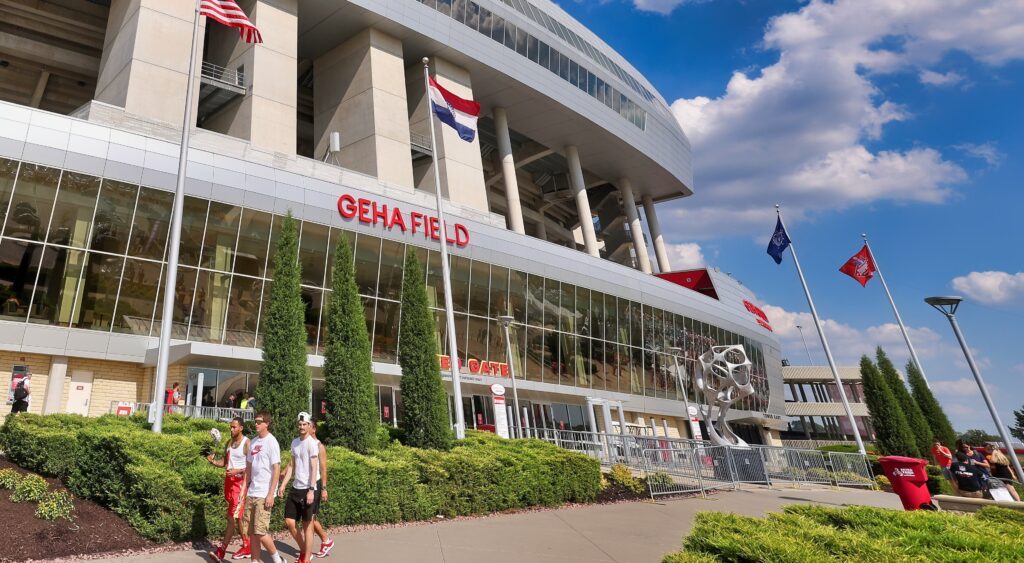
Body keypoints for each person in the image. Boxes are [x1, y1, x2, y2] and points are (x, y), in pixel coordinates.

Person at [242, 411, 285, 563]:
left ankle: (277, 560)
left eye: (259, 421)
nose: (256, 424)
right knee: (252, 532)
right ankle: (255, 560)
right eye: (255, 421)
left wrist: (270, 494)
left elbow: (277, 469)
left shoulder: (271, 442)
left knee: (260, 531)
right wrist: (244, 489)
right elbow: (248, 467)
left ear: (267, 423)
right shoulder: (253, 442)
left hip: (264, 493)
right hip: (252, 491)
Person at [206, 417, 250, 562]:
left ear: (241, 428)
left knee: (231, 518)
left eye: (234, 427)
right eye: (230, 427)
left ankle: (221, 551)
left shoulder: (246, 443)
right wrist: (213, 461)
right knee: (237, 518)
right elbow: (225, 463)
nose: (231, 429)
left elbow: (252, 467)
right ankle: (247, 545)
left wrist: (238, 471)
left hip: (240, 485)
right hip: (229, 484)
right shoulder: (229, 443)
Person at [277, 412, 319, 563]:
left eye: (304, 424)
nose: (301, 427)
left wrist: (311, 490)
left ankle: (306, 558)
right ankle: (304, 550)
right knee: (289, 522)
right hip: (296, 487)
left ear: (309, 426)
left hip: (308, 488)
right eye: (299, 425)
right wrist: (283, 485)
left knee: (308, 525)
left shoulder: (312, 444)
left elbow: (314, 468)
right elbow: (291, 467)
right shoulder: (294, 442)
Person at [307, 421, 334, 558]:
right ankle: (325, 540)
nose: (304, 427)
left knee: (310, 517)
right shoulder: (303, 443)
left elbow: (323, 468)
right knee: (308, 517)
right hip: (304, 485)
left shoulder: (319, 446)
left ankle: (323, 541)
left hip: (315, 485)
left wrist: (324, 488)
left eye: (308, 425)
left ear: (314, 429)